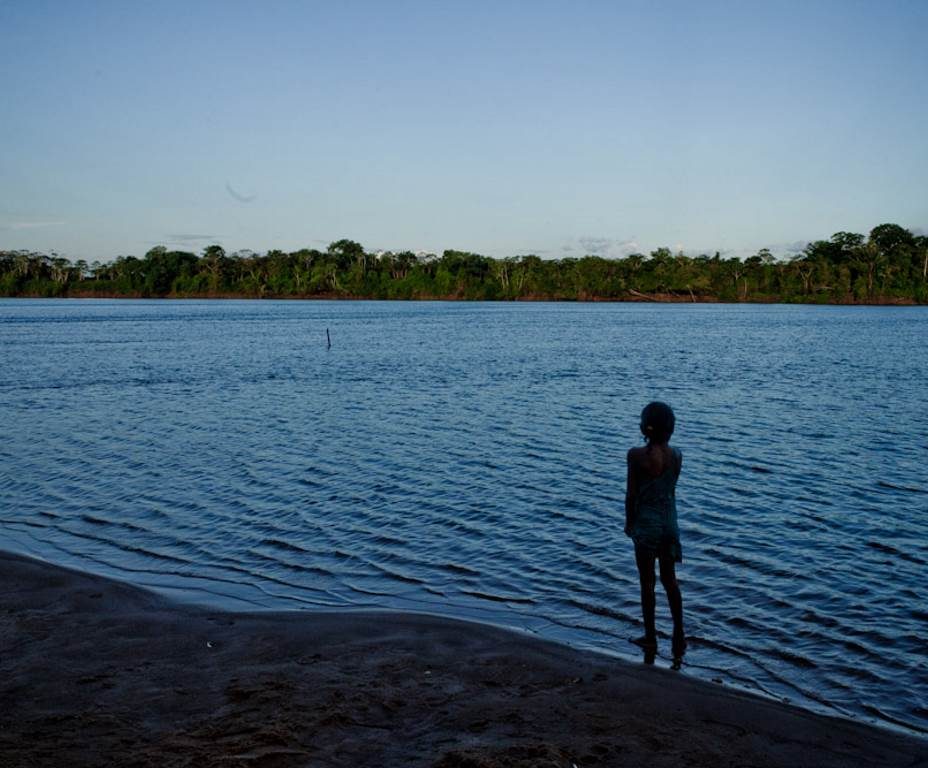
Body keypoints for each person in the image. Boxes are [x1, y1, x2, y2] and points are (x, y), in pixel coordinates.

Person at [625, 401, 686, 661]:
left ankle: (650, 636)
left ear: (645, 427)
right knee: (670, 580)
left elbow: (631, 494)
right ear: (670, 429)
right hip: (670, 523)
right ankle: (679, 634)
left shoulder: (635, 455)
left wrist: (629, 522)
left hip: (647, 525)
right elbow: (670, 490)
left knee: (647, 582)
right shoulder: (677, 455)